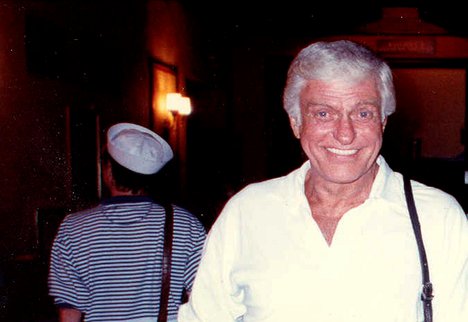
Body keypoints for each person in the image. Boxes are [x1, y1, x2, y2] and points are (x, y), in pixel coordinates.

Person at [177, 40, 468, 321]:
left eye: (363, 113)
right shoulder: (247, 211)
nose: (345, 134)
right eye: (324, 113)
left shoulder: (438, 216)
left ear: (383, 121)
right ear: (296, 123)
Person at [49, 122, 206, 322]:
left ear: (107, 170)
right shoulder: (186, 225)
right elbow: (203, 298)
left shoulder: (73, 228)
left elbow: (69, 310)